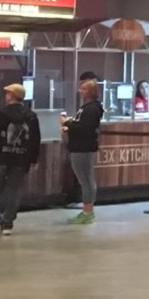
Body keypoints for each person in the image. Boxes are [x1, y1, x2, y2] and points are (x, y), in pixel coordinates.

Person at [0, 82, 41, 234]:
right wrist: (33, 159)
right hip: (20, 159)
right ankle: (7, 224)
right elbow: (35, 140)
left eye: (7, 93)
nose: (6, 95)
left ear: (12, 95)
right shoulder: (31, 116)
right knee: (13, 191)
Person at [61, 78, 103, 223]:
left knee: (86, 180)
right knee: (85, 179)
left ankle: (88, 212)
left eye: (84, 89)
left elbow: (86, 129)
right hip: (79, 146)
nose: (80, 91)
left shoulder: (91, 109)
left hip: (83, 148)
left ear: (91, 92)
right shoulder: (87, 107)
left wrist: (67, 123)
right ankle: (87, 211)